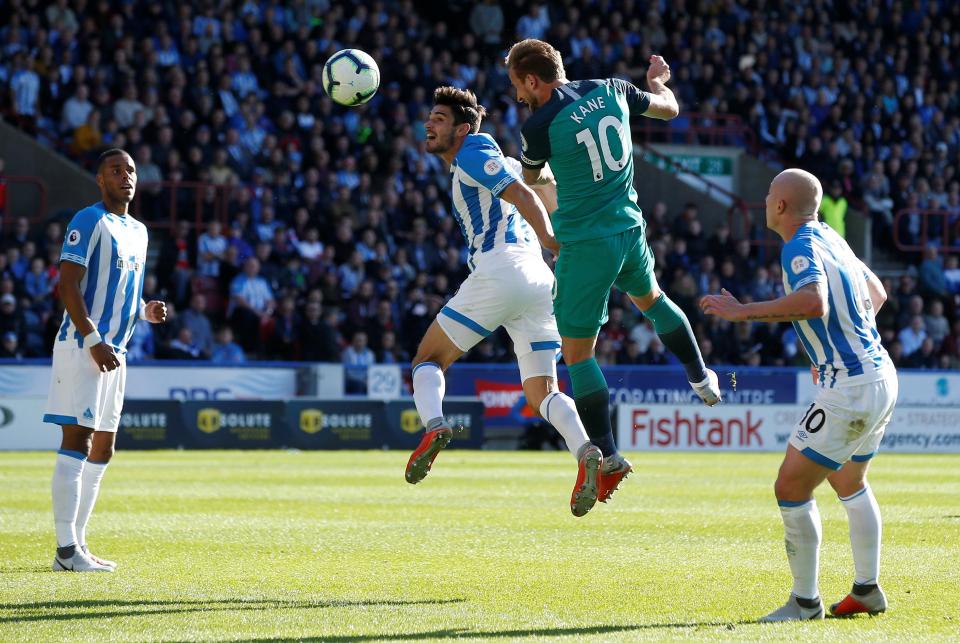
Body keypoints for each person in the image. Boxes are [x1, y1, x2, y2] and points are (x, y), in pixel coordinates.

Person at [505, 39, 721, 502]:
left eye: (517, 86)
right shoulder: (613, 88)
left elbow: (531, 178)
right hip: (630, 231)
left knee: (578, 355)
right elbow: (669, 109)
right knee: (654, 301)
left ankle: (607, 455)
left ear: (531, 79)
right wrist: (658, 83)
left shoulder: (538, 125)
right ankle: (702, 378)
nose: (518, 96)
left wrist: (555, 177)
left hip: (585, 245)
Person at [701, 169, 897, 621]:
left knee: (790, 486)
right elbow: (877, 294)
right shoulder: (831, 236)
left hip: (849, 385)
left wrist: (742, 311)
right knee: (850, 481)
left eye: (770, 194)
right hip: (879, 372)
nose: (766, 200)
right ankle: (866, 589)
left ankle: (805, 603)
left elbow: (813, 302)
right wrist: (833, 344)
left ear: (781, 207)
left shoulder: (798, 247)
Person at [406, 86, 603, 517]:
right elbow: (545, 188)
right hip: (538, 281)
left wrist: (552, 239)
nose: (429, 124)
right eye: (430, 117)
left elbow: (526, 196)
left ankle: (434, 425)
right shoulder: (498, 161)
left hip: (504, 267)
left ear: (462, 128)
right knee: (541, 391)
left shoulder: (475, 149)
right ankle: (586, 449)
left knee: (428, 360)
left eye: (439, 119)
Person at [43, 148, 168, 572]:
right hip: (83, 347)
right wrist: (93, 338)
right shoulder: (87, 220)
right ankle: (65, 551)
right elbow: (69, 286)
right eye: (115, 170)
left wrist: (144, 311)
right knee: (76, 440)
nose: (125, 176)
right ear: (100, 179)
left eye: (130, 170)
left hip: (117, 351)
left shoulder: (139, 231)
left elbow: (122, 294)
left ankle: (77, 544)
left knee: (104, 448)